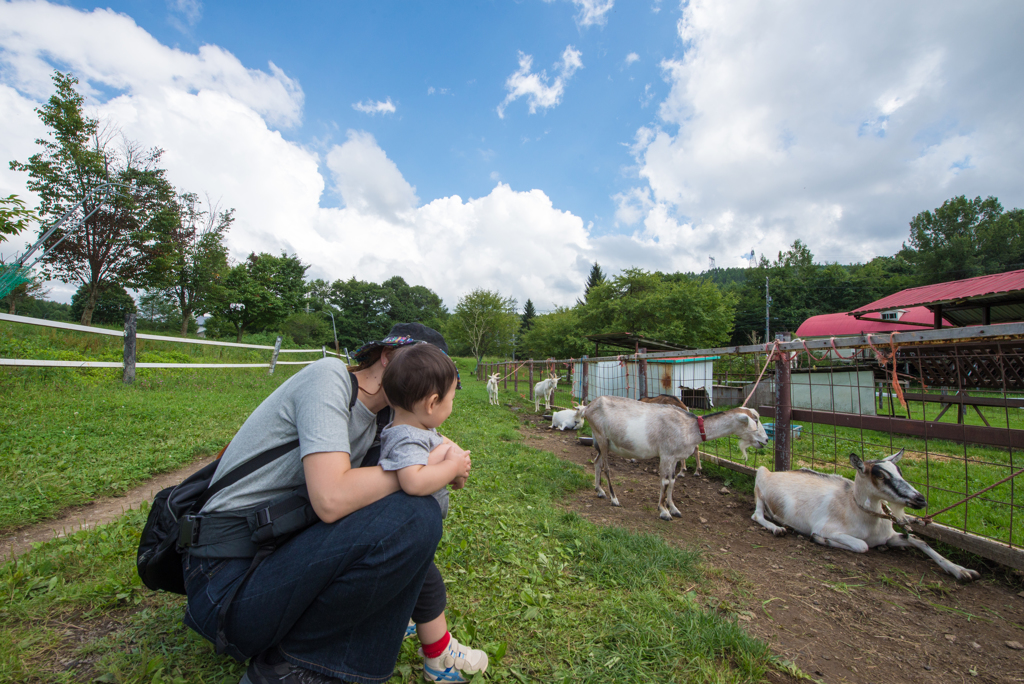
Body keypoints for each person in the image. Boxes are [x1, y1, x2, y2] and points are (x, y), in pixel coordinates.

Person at [181, 323, 471, 684]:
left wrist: (446, 460)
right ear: (386, 356)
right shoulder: (329, 378)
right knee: (410, 514)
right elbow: (331, 498)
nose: (426, 382)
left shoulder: (388, 424)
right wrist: (422, 470)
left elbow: (427, 498)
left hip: (272, 563)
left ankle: (424, 647)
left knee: (413, 515)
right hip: (223, 582)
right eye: (419, 363)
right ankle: (290, 672)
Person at [378, 344, 488, 682]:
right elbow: (413, 480)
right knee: (429, 587)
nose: (452, 406)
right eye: (452, 398)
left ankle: (400, 622)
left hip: (410, 533)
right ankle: (439, 660)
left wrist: (451, 471)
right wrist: (451, 465)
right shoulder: (405, 438)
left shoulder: (417, 430)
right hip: (404, 535)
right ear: (431, 403)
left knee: (406, 584)